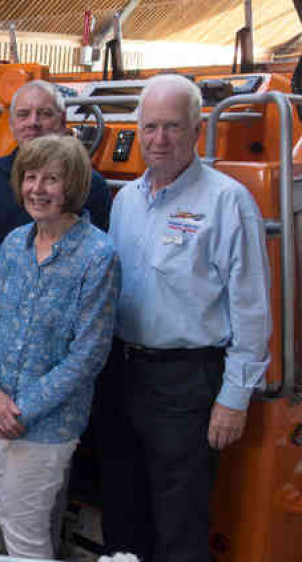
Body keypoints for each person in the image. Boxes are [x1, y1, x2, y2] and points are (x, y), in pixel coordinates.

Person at [98, 74, 271, 562]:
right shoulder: (126, 201)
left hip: (187, 383)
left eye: (172, 127)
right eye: (150, 127)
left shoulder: (227, 201)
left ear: (196, 129)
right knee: (123, 514)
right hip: (123, 374)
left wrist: (234, 398)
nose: (158, 139)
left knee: (181, 522)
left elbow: (252, 308)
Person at [0, 79, 112, 554]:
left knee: (32, 525)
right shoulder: (15, 244)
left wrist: (18, 407)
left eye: (51, 179)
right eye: (30, 178)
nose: (38, 188)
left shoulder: (96, 253)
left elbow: (88, 351)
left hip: (44, 416)